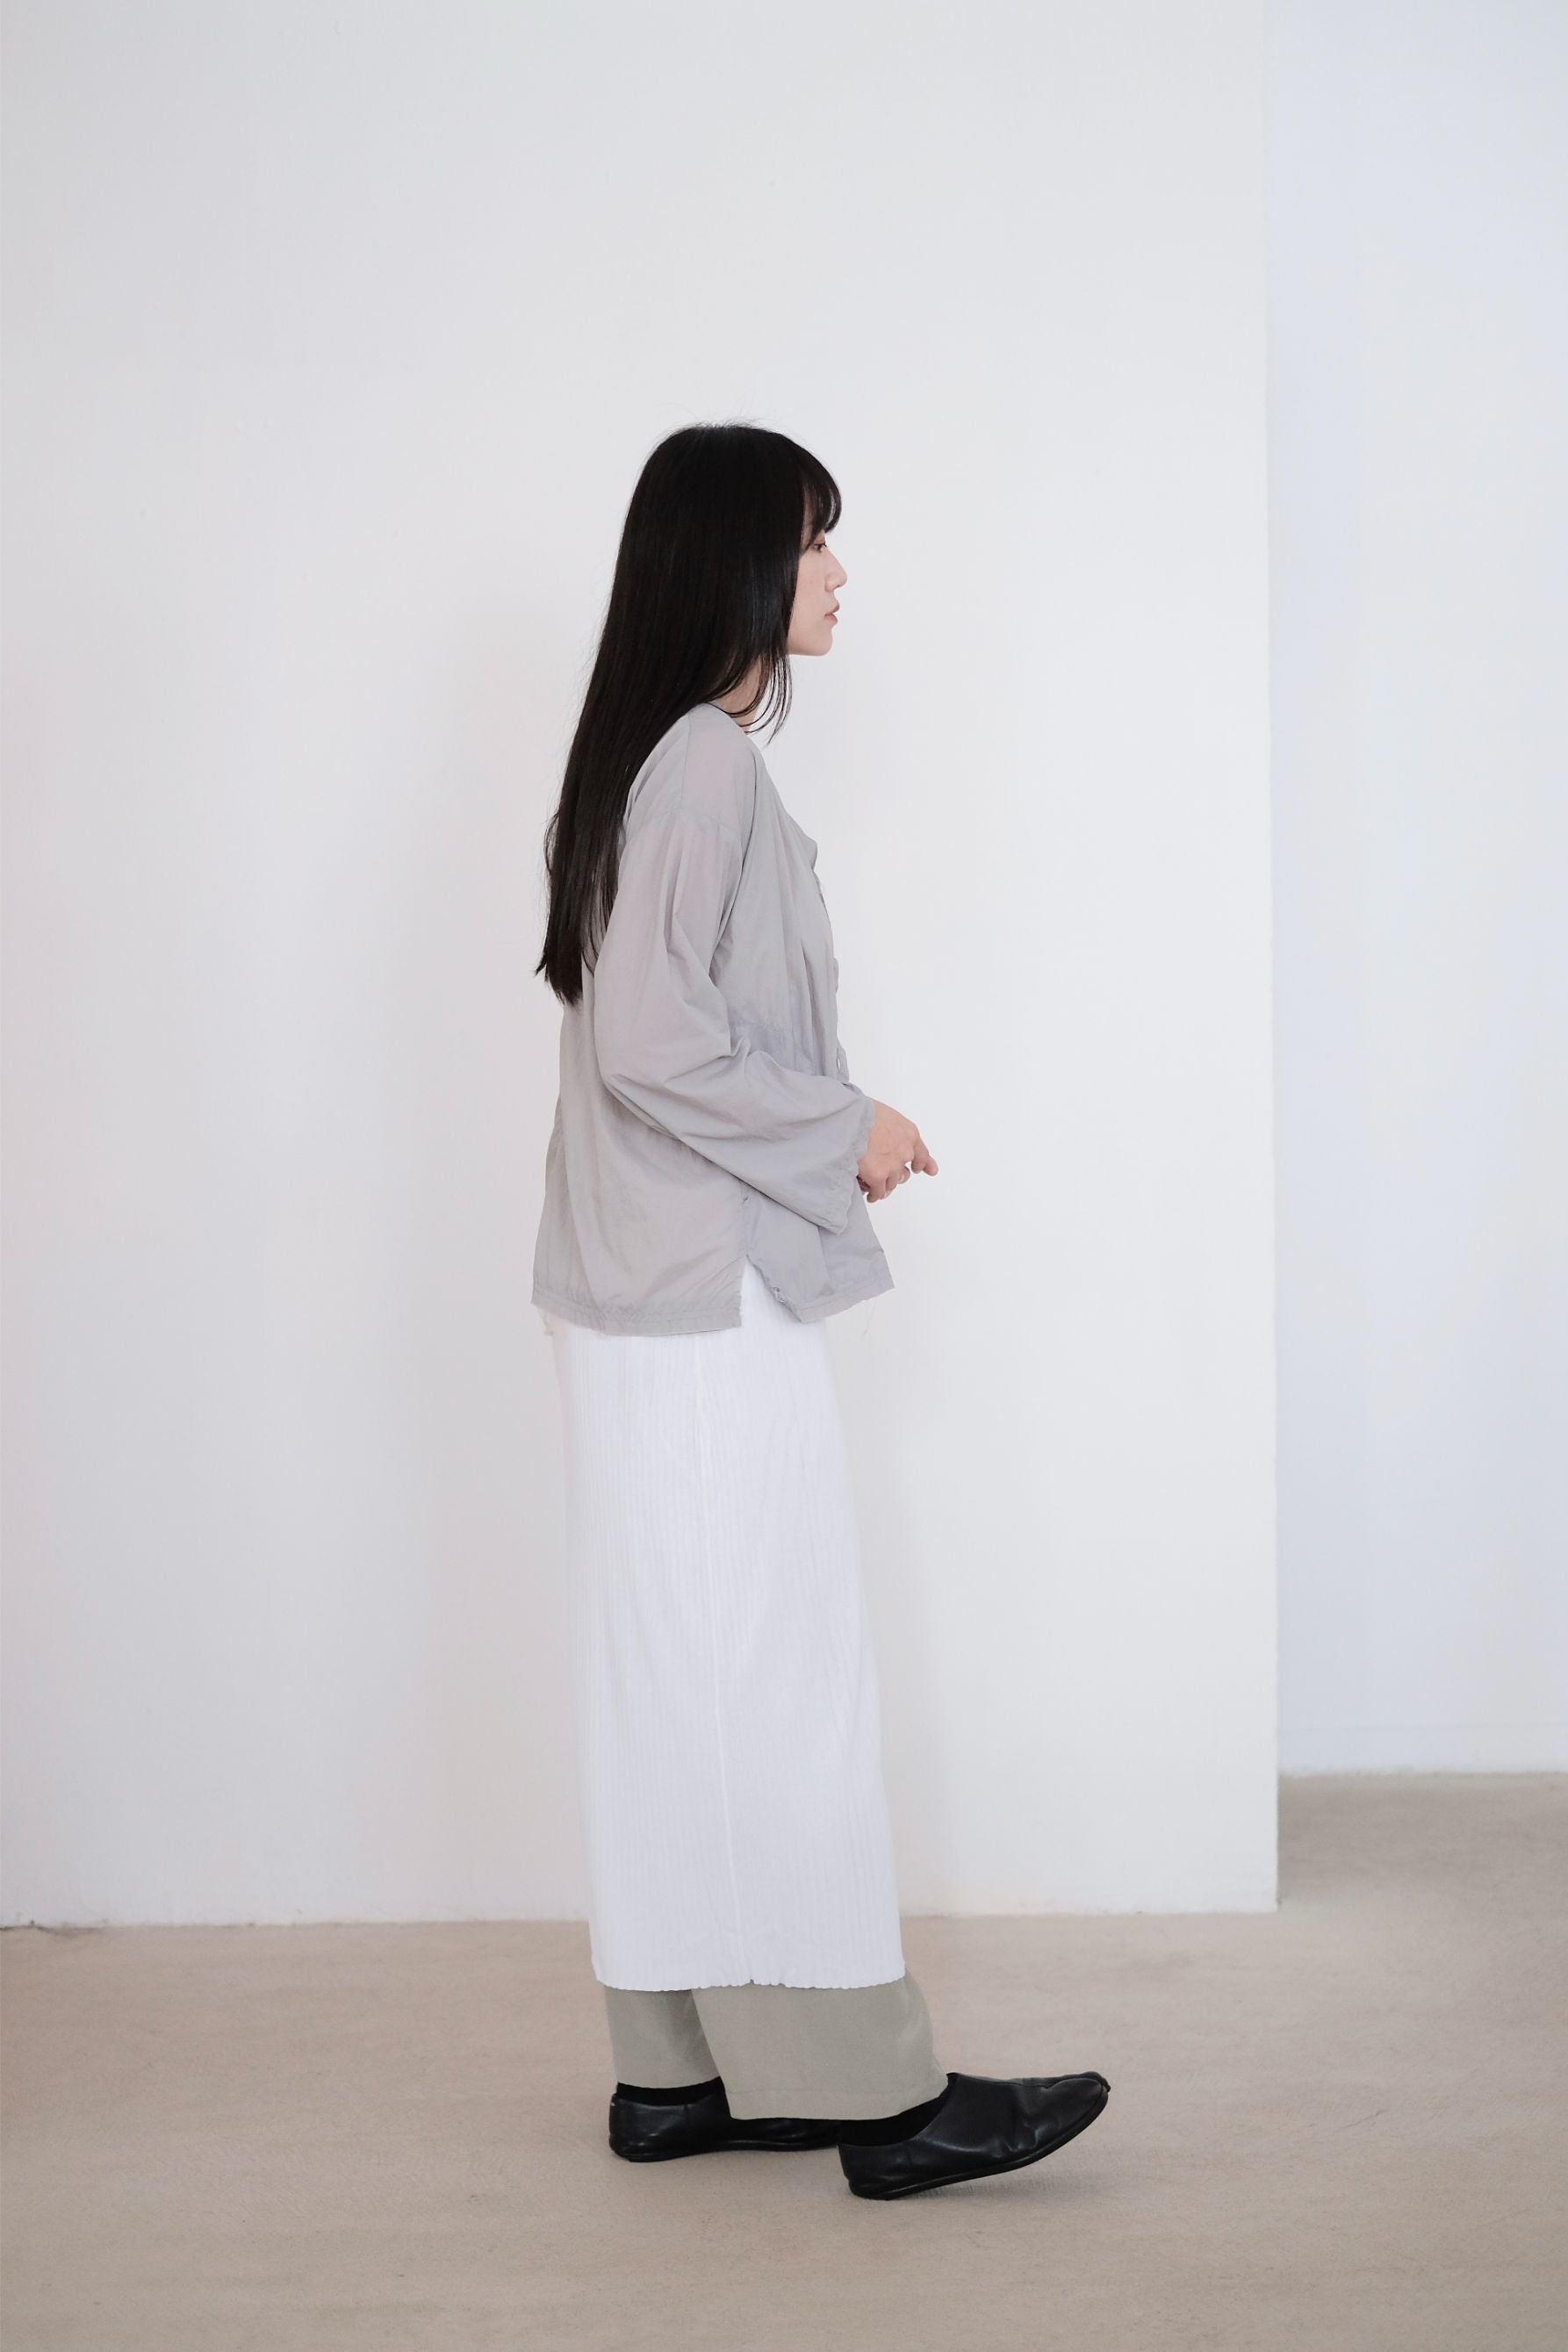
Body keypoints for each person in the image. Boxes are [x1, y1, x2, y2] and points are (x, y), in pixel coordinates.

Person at [530, 421, 1110, 2198]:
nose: (837, 573)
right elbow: (651, 1041)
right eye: (809, 540)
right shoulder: (703, 766)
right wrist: (839, 1126)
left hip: (647, 1296)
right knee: (776, 1683)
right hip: (699, 1301)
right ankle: (877, 2097)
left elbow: (636, 1028)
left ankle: (677, 2074)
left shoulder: (659, 759)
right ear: (731, 565)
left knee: (675, 1682)